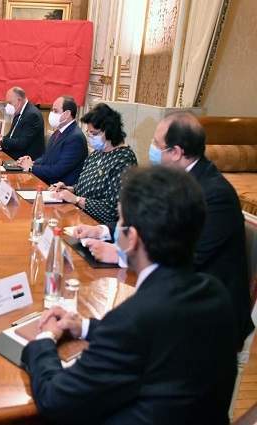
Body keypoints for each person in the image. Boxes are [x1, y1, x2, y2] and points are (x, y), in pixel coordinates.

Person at [23, 166, 238, 424]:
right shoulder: (216, 294)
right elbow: (154, 339)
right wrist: (85, 327)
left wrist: (44, 340)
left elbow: (55, 399)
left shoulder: (134, 318)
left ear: (132, 239)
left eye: (120, 222)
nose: (117, 229)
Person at [74, 111, 253, 348]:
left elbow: (189, 257)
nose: (151, 149)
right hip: (173, 297)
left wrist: (121, 254)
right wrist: (103, 231)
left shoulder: (214, 195)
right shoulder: (177, 177)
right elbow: (148, 221)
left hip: (208, 319)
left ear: (176, 152)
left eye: (156, 144)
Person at [50, 103, 137, 223]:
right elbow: (88, 186)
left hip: (100, 226)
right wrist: (69, 189)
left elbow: (113, 210)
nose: (90, 136)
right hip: (80, 216)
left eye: (94, 133)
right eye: (88, 132)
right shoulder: (98, 153)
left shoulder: (124, 160)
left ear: (109, 132)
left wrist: (77, 200)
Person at [17, 95, 87, 186]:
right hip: (47, 181)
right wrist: (31, 162)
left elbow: (58, 170)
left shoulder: (75, 138)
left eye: (55, 111)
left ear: (67, 114)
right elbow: (47, 157)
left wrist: (31, 168)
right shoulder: (59, 131)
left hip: (60, 188)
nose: (52, 114)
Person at [0, 87, 45, 160]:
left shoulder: (32, 115)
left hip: (25, 159)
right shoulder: (19, 111)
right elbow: (11, 136)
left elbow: (22, 143)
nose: (8, 106)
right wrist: (0, 142)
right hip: (14, 154)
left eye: (10, 103)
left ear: (19, 101)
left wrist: (2, 139)